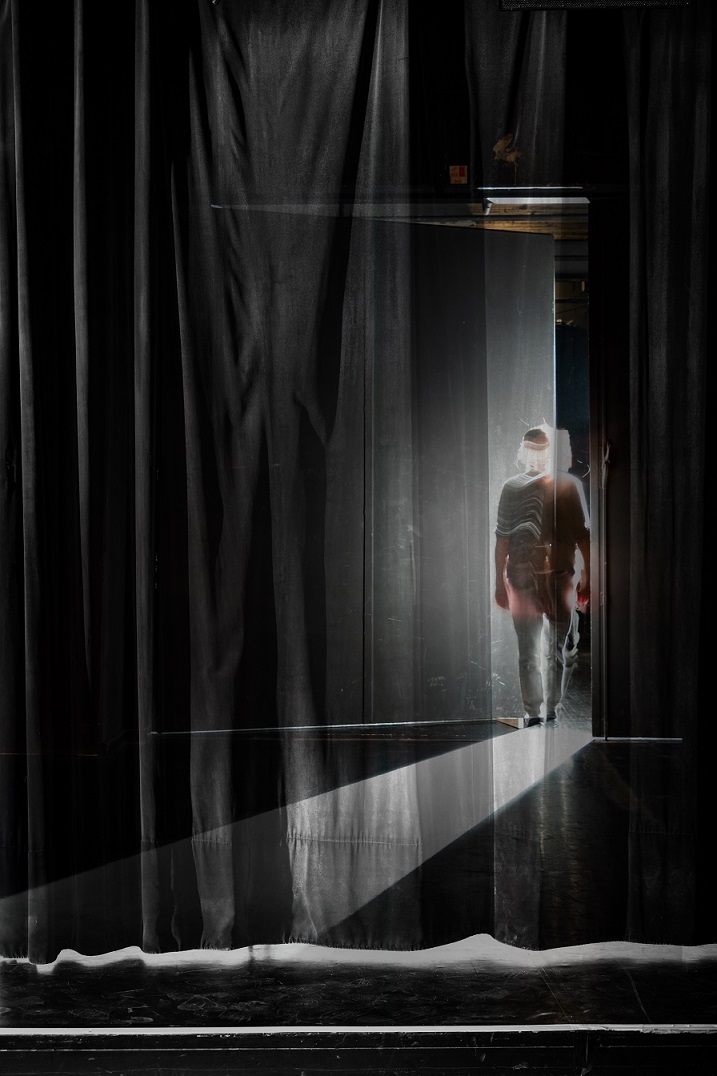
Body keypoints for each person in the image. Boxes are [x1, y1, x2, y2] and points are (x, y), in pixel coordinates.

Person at [494, 426, 590, 728]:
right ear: (523, 451)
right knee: (533, 649)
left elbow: (583, 536)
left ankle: (547, 710)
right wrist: (499, 582)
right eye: (532, 448)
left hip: (558, 575)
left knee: (556, 648)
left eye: (541, 448)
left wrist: (588, 576)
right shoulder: (512, 487)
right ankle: (536, 711)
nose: (536, 454)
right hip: (526, 576)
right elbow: (502, 539)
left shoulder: (568, 485)